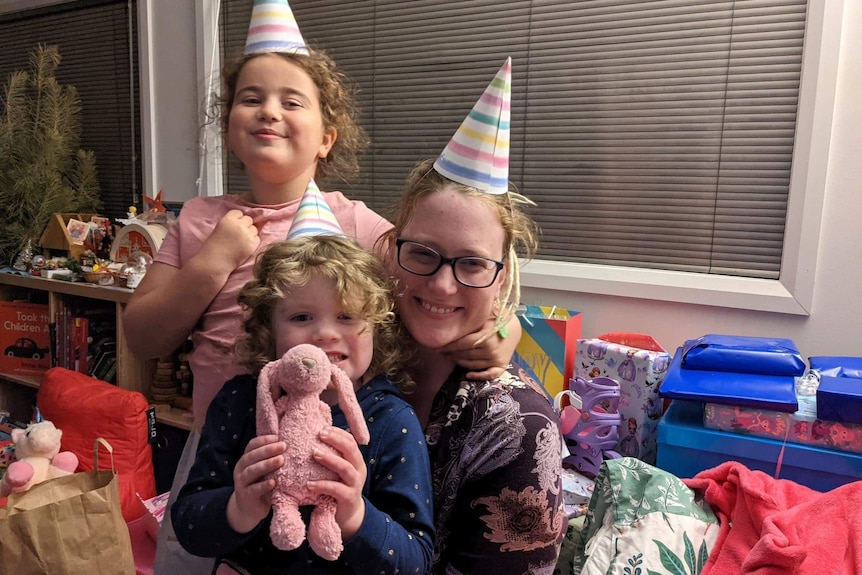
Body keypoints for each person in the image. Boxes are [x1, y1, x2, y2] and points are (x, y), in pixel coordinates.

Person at [380, 58, 566, 574]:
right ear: (388, 249)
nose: (442, 284)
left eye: (472, 264)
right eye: (422, 253)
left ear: (501, 277)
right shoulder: (357, 352)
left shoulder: (516, 426)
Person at [171, 229, 434, 574]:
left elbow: (416, 560)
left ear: (376, 327)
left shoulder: (391, 420)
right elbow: (188, 526)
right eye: (301, 317)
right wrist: (239, 508)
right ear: (269, 329)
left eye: (346, 316)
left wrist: (355, 514)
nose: (325, 333)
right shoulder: (238, 402)